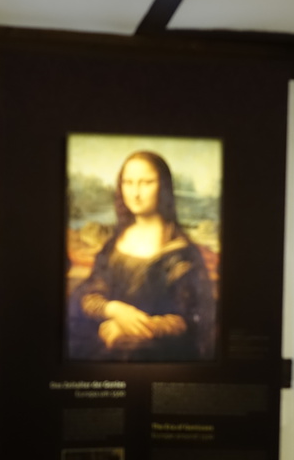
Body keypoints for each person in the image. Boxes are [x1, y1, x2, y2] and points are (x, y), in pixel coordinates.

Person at [68, 151, 215, 361]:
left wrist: (133, 328)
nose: (135, 193)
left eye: (146, 183)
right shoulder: (114, 244)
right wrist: (113, 309)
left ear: (163, 187)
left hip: (159, 355)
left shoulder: (181, 253)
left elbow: (191, 319)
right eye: (128, 182)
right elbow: (88, 294)